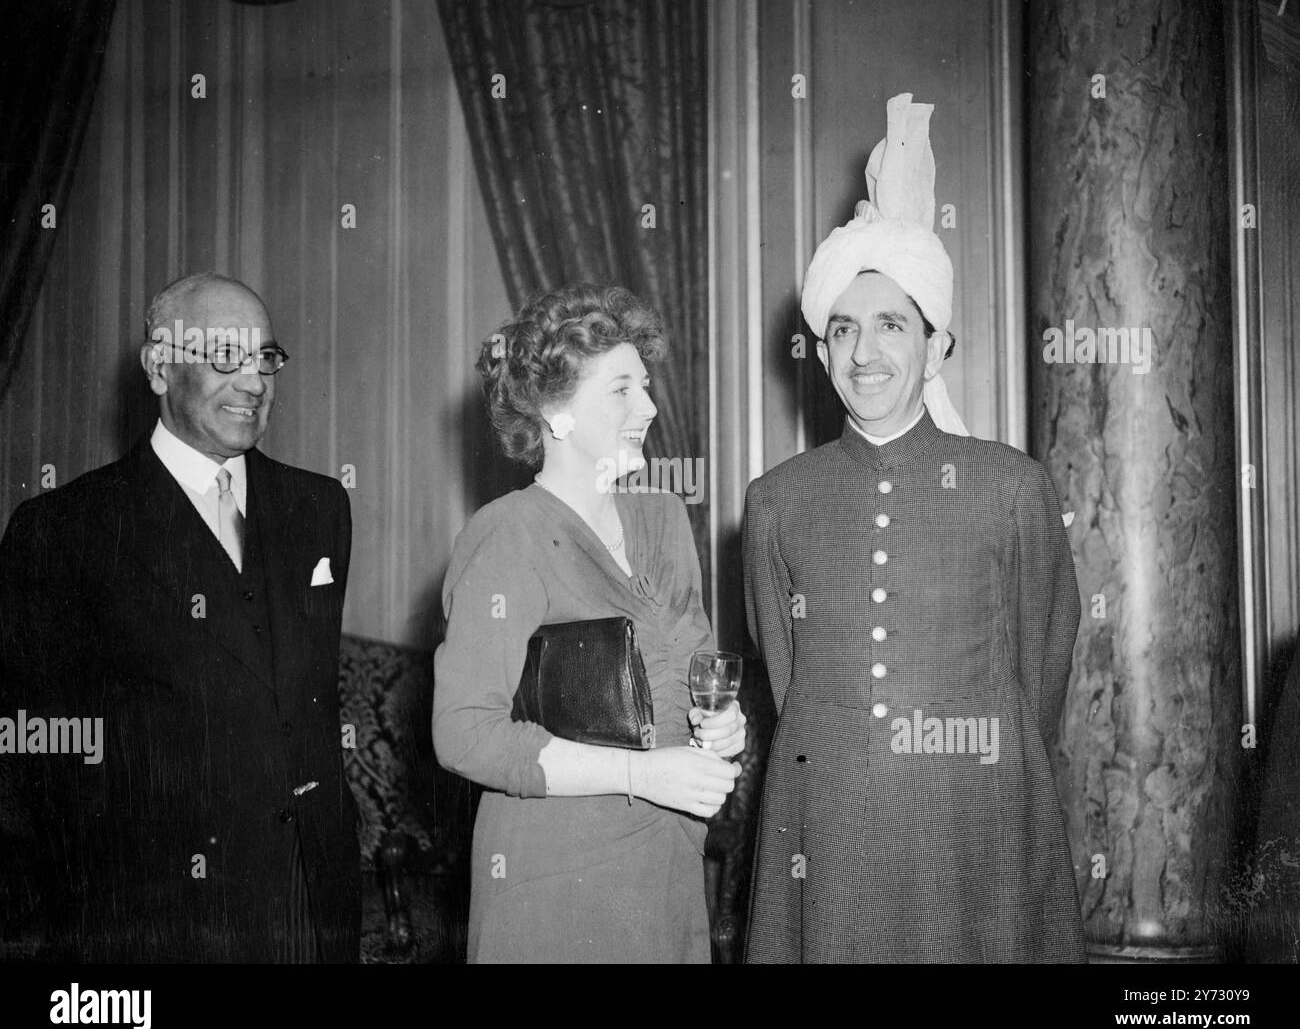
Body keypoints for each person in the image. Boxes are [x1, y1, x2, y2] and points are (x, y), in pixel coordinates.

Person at [743, 94, 1085, 962]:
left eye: (893, 326)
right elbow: (787, 676)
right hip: (825, 816)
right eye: (844, 331)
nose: (866, 354)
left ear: (936, 349)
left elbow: (1044, 660)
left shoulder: (1013, 486)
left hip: (976, 809)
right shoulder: (777, 498)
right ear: (820, 355)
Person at [0, 272, 359, 962]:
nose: (253, 382)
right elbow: (31, 749)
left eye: (266, 359)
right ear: (160, 367)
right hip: (151, 919)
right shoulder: (63, 529)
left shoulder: (320, 509)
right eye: (226, 356)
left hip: (308, 904)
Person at [433, 283, 744, 963]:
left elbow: (698, 675)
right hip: (556, 877)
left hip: (666, 863)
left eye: (647, 386)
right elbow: (462, 733)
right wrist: (640, 775)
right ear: (556, 413)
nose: (651, 408)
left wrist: (724, 724)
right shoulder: (507, 534)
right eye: (622, 390)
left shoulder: (662, 520)